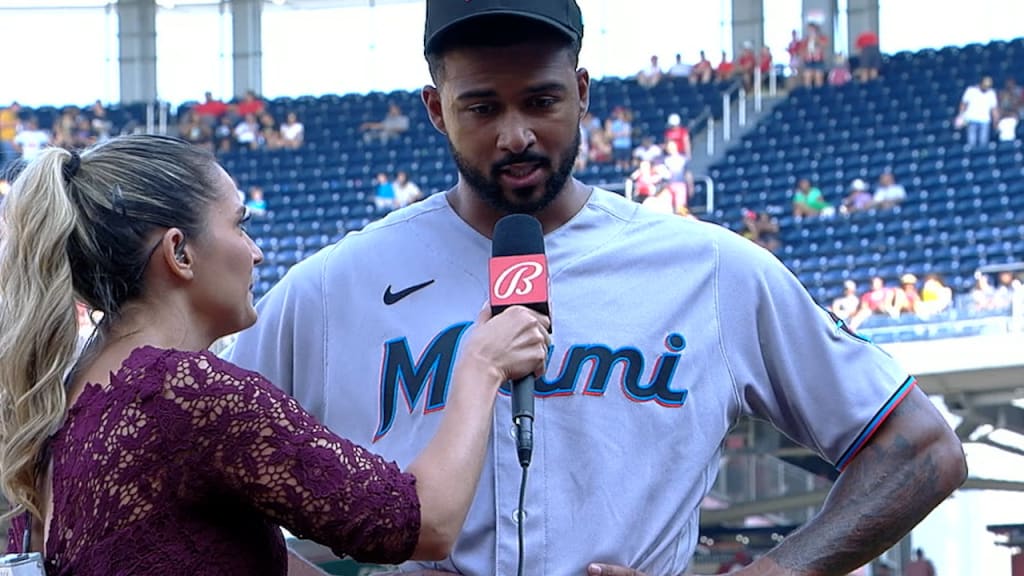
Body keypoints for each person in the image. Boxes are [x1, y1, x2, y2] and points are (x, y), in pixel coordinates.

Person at [227, 1, 967, 575]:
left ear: (582, 93)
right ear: (434, 109)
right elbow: (187, 478)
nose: (515, 134)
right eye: (482, 107)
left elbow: (922, 449)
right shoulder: (331, 291)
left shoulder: (708, 271)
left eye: (541, 101)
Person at [0, 135, 551, 574]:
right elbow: (422, 522)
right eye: (240, 224)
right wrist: (482, 365)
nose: (257, 252)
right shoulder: (186, 392)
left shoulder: (72, 396)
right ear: (179, 251)